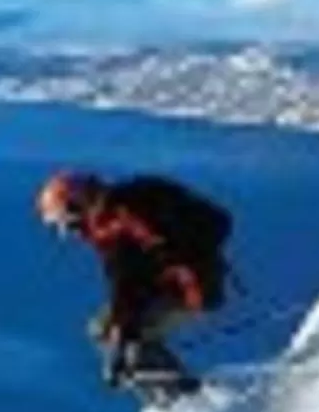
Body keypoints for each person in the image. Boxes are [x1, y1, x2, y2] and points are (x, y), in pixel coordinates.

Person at [35, 169, 234, 399]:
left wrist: (123, 336)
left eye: (70, 224)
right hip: (168, 285)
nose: (75, 232)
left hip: (189, 286)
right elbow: (123, 279)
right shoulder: (108, 219)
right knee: (102, 330)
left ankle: (184, 401)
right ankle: (171, 395)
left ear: (79, 205)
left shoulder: (120, 217)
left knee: (134, 345)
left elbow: (128, 278)